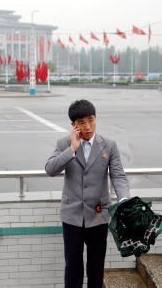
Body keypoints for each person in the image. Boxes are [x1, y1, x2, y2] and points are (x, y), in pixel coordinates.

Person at [45, 99, 130, 288]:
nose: (88, 126)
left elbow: (118, 176)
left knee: (96, 267)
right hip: (72, 217)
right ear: (73, 125)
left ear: (95, 119)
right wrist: (72, 148)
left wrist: (124, 199)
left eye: (91, 120)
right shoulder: (63, 143)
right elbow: (50, 169)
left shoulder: (109, 145)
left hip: (99, 216)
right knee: (73, 267)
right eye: (82, 122)